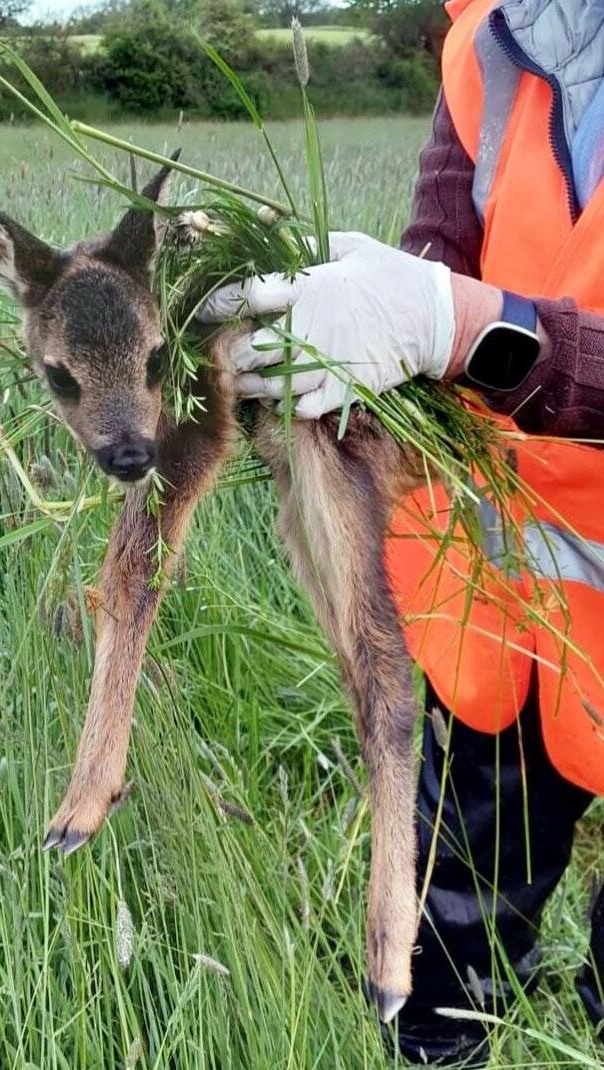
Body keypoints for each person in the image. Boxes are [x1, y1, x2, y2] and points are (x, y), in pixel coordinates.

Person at [199, 0, 604, 1063]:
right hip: (500, 617)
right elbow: (439, 240)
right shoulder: (488, 39)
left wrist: (459, 325)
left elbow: (450, 312)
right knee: (455, 910)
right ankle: (440, 1033)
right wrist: (349, 350)